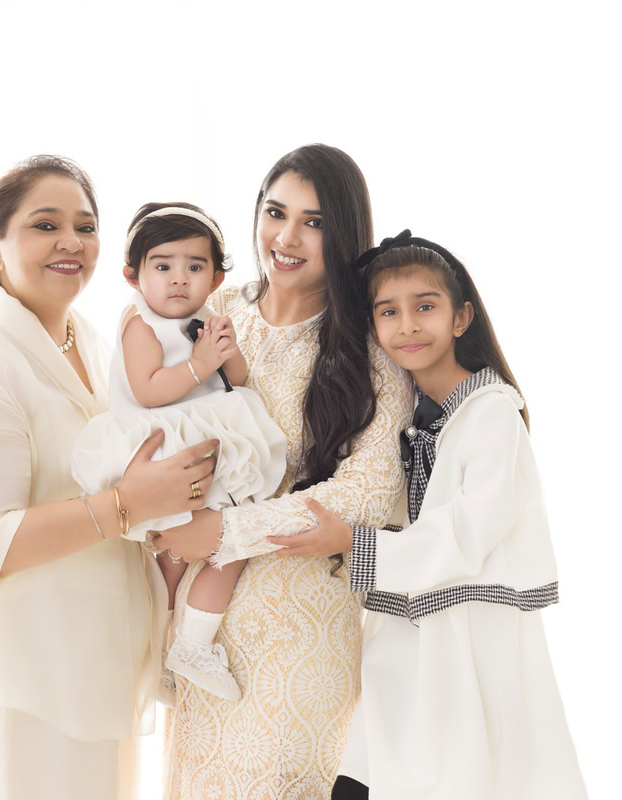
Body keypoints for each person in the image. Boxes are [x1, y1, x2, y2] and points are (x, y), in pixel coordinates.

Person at [0, 155, 219, 800]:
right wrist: (126, 505)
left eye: (85, 227)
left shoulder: (91, 340)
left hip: (97, 669)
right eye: (45, 225)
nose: (71, 242)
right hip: (22, 678)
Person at [279, 231, 587, 799]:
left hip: (471, 641)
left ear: (461, 317)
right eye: (388, 312)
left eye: (425, 307)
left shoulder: (492, 415)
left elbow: (468, 532)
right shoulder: (408, 417)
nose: (408, 326)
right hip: (406, 632)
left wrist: (354, 542)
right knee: (368, 774)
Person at [154, 145, 413, 799]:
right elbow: (153, 420)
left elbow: (369, 490)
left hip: (302, 631)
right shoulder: (216, 310)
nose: (287, 238)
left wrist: (226, 533)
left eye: (313, 222)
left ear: (344, 233)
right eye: (276, 213)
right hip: (201, 633)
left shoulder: (370, 346)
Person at [72, 201, 286, 702]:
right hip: (161, 447)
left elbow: (236, 381)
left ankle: (186, 645)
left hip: (204, 440)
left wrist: (227, 352)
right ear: (133, 276)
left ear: (215, 279)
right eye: (163, 266)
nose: (178, 279)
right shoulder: (140, 323)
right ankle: (169, 649)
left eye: (194, 267)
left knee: (224, 542)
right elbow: (148, 390)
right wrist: (200, 363)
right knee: (180, 556)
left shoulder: (208, 317)